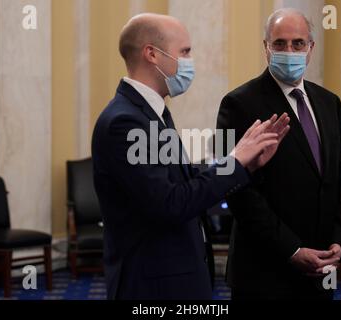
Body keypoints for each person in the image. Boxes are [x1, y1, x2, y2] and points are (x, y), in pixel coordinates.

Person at [91, 13, 290, 300]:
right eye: (184, 52)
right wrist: (233, 161)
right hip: (153, 286)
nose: (189, 61)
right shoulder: (125, 122)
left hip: (174, 277)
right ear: (152, 54)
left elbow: (182, 181)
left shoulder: (152, 113)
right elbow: (171, 203)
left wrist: (245, 164)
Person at [217, 8, 341, 300]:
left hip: (322, 267)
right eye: (279, 44)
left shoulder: (330, 103)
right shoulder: (238, 104)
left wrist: (340, 240)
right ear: (266, 48)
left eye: (298, 43)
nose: (289, 50)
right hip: (265, 272)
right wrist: (292, 250)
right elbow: (238, 191)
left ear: (311, 48)